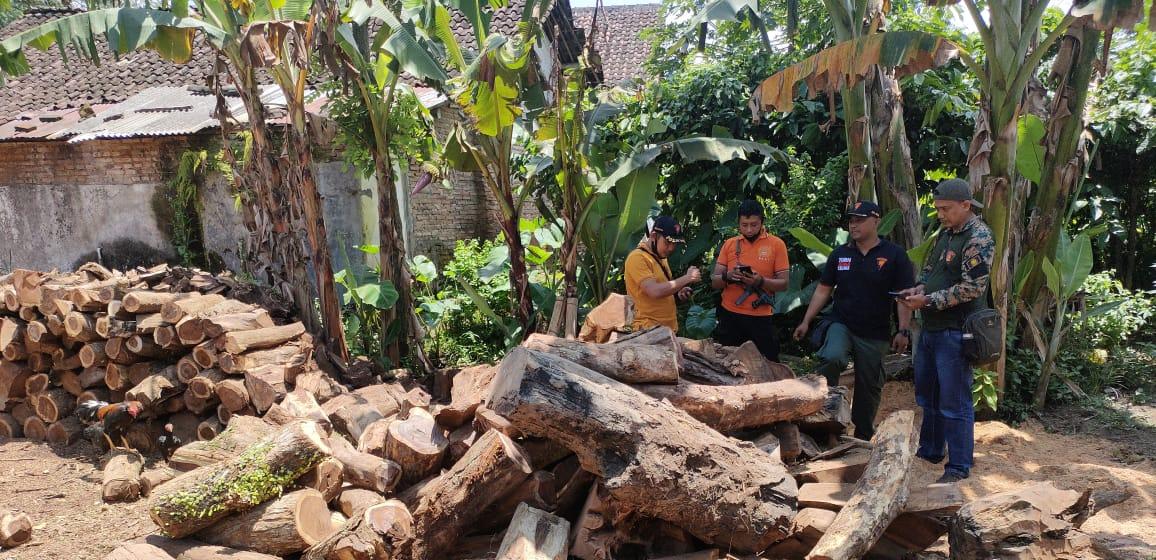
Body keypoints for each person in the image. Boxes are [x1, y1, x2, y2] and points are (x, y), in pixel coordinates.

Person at [897, 178, 995, 484]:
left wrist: (928, 300)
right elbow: (931, 272)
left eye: (946, 209)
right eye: (938, 209)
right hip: (931, 327)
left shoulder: (979, 237)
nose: (940, 214)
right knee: (928, 396)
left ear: (966, 205)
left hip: (956, 330)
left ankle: (958, 465)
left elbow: (972, 287)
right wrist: (918, 288)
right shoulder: (946, 232)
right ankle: (931, 450)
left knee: (955, 401)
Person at [792, 200, 915, 441]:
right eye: (851, 220)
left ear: (876, 221)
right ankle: (824, 422)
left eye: (859, 219)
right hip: (842, 323)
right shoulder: (841, 254)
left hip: (875, 331)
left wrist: (903, 330)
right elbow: (823, 289)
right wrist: (806, 321)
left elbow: (904, 297)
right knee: (832, 357)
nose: (853, 224)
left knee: (870, 385)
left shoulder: (894, 255)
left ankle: (861, 435)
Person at [709, 200, 789, 361]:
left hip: (761, 317)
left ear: (762, 222)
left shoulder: (776, 245)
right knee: (725, 362)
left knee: (768, 363)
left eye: (754, 224)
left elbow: (784, 283)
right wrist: (728, 276)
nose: (749, 229)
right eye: (744, 225)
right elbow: (715, 282)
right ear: (738, 223)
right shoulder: (730, 244)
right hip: (730, 315)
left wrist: (760, 281)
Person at [624, 216, 701, 333]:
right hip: (647, 331)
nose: (671, 248)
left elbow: (663, 289)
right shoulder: (637, 258)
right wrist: (687, 278)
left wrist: (678, 294)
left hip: (667, 330)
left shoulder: (661, 257)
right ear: (654, 236)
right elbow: (654, 291)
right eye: (667, 242)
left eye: (674, 244)